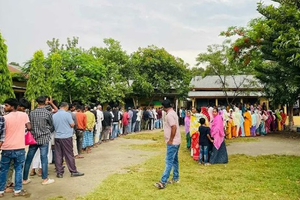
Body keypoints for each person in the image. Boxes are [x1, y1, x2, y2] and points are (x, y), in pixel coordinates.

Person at [0, 98, 31, 197]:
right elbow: (29, 127)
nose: (5, 107)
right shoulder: (24, 115)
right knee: (18, 169)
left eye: (7, 105)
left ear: (12, 106)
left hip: (6, 147)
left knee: (3, 169)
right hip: (19, 147)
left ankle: (1, 190)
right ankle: (17, 190)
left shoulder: (4, 118)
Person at [23, 96, 55, 185]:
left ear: (37, 102)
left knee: (29, 158)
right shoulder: (48, 113)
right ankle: (45, 179)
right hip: (44, 138)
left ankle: (25, 179)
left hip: (33, 138)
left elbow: (29, 125)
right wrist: (47, 131)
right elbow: (52, 125)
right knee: (44, 158)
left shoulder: (31, 113)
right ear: (45, 102)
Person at [154, 99, 181, 189]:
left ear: (164, 107)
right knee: (174, 161)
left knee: (169, 161)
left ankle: (163, 181)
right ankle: (176, 177)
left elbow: (174, 127)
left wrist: (171, 139)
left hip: (173, 142)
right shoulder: (173, 113)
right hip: (177, 141)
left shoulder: (169, 115)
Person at [53, 102, 84, 178]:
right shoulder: (67, 114)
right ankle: (73, 171)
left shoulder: (54, 115)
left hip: (57, 136)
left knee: (58, 154)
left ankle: (59, 172)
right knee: (69, 154)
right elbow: (72, 124)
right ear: (66, 107)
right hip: (66, 136)